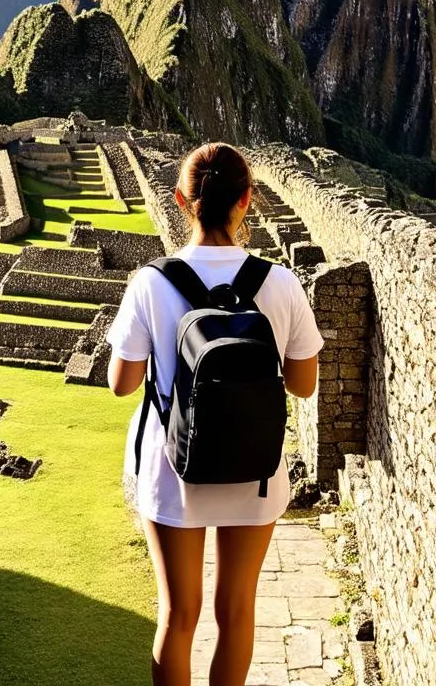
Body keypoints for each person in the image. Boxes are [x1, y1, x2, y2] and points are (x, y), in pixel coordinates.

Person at [107, 142, 324, 686]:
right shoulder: (280, 283)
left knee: (179, 616)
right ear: (245, 201)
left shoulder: (151, 282)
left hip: (172, 466)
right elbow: (303, 385)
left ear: (182, 201)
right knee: (237, 612)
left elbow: (121, 383)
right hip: (254, 469)